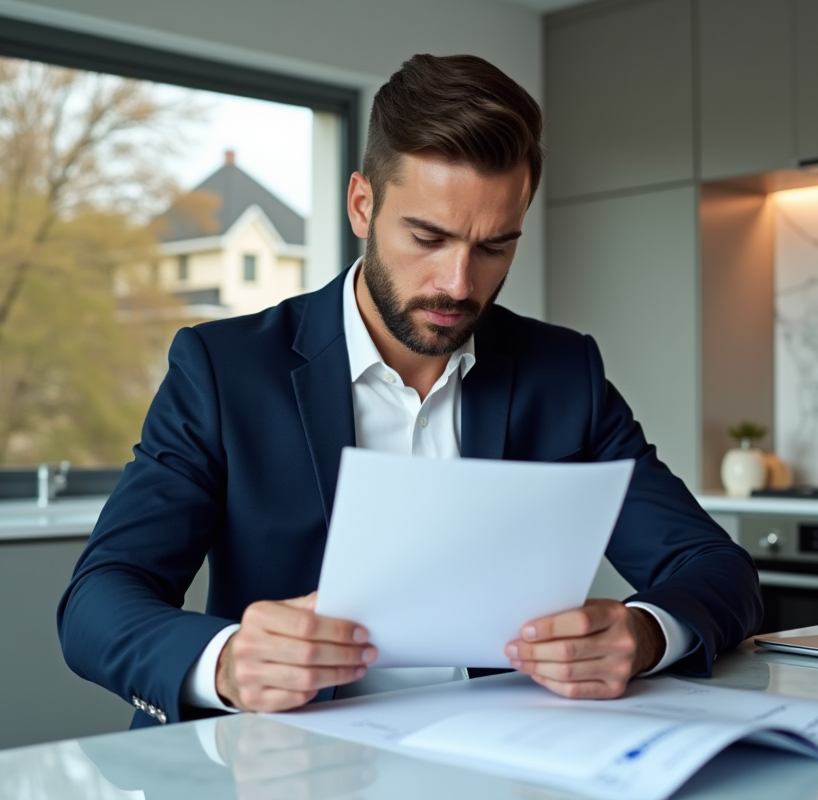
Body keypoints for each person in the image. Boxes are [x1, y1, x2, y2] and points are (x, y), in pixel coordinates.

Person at [58, 54, 762, 726]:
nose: (459, 285)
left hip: (503, 762)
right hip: (285, 765)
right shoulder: (224, 369)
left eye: (494, 247)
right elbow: (99, 600)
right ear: (362, 205)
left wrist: (643, 633)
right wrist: (227, 664)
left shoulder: (562, 374)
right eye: (428, 237)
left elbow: (715, 568)